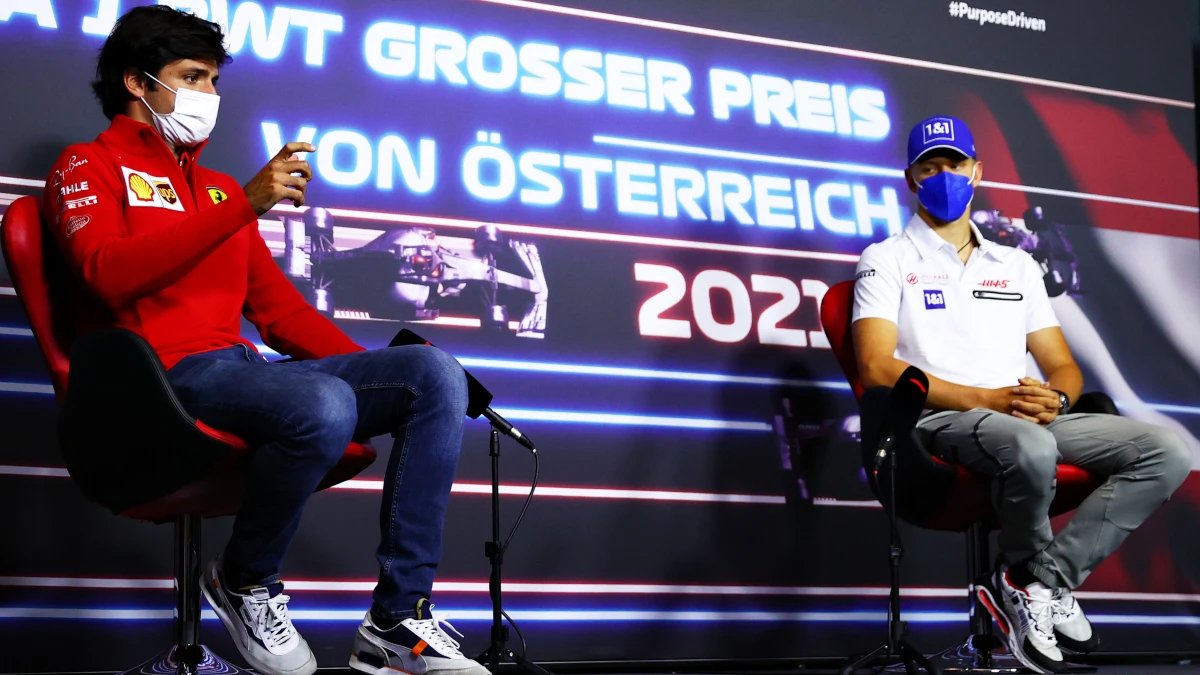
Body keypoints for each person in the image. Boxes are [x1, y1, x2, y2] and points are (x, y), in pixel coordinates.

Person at [42, 7, 488, 675]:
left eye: (215, 81)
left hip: (240, 371)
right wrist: (246, 204)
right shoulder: (87, 165)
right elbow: (107, 276)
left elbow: (278, 313)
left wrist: (391, 376)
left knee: (433, 374)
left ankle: (398, 618)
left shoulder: (219, 191)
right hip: (155, 383)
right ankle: (246, 580)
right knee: (323, 404)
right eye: (192, 77)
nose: (208, 97)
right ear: (137, 83)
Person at [851, 116, 1191, 674]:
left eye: (954, 164)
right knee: (1029, 446)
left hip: (1023, 416)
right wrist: (985, 397)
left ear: (977, 172)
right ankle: (1031, 590)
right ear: (910, 179)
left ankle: (1036, 580)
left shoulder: (1017, 265)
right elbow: (876, 366)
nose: (944, 176)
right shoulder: (886, 259)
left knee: (1167, 451)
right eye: (930, 167)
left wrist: (1055, 400)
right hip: (937, 422)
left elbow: (1062, 366)